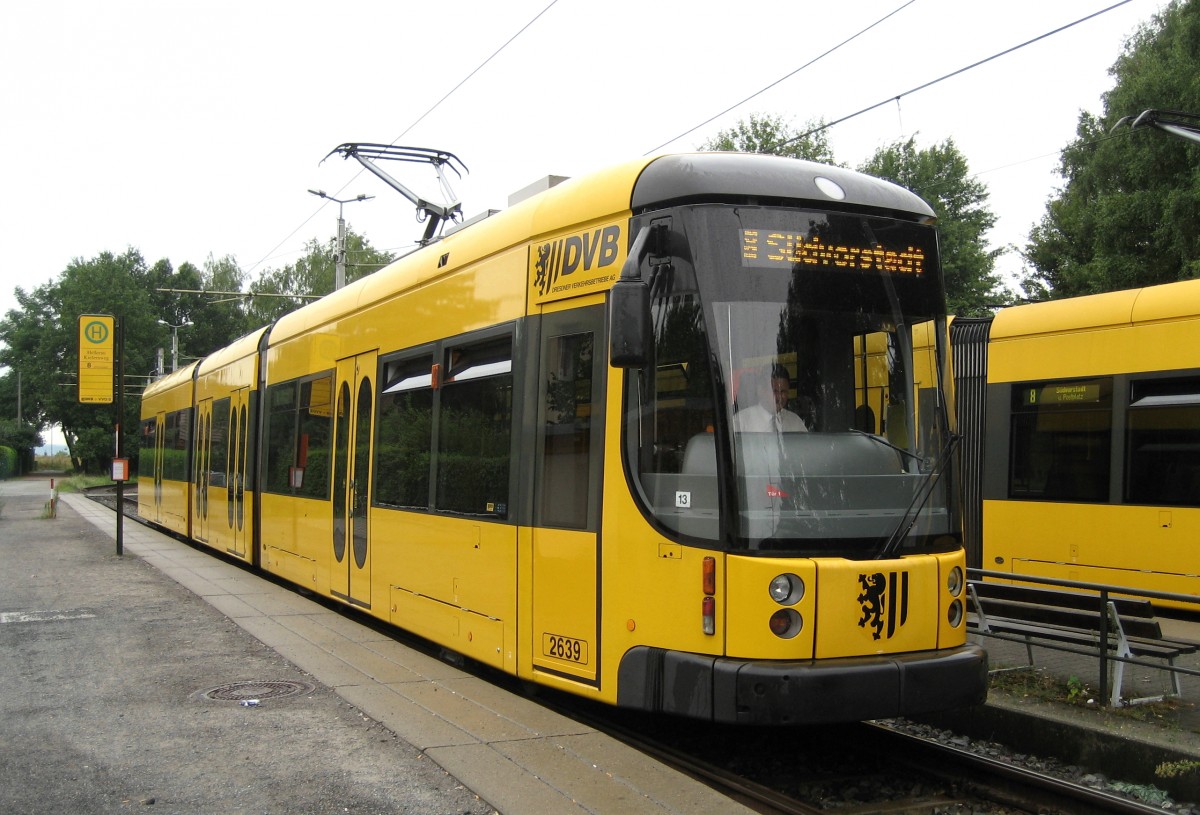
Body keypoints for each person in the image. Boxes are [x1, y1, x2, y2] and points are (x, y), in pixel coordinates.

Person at [733, 364, 808, 432]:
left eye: (783, 391)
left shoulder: (795, 421)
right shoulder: (741, 421)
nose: (779, 396)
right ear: (761, 390)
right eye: (774, 391)